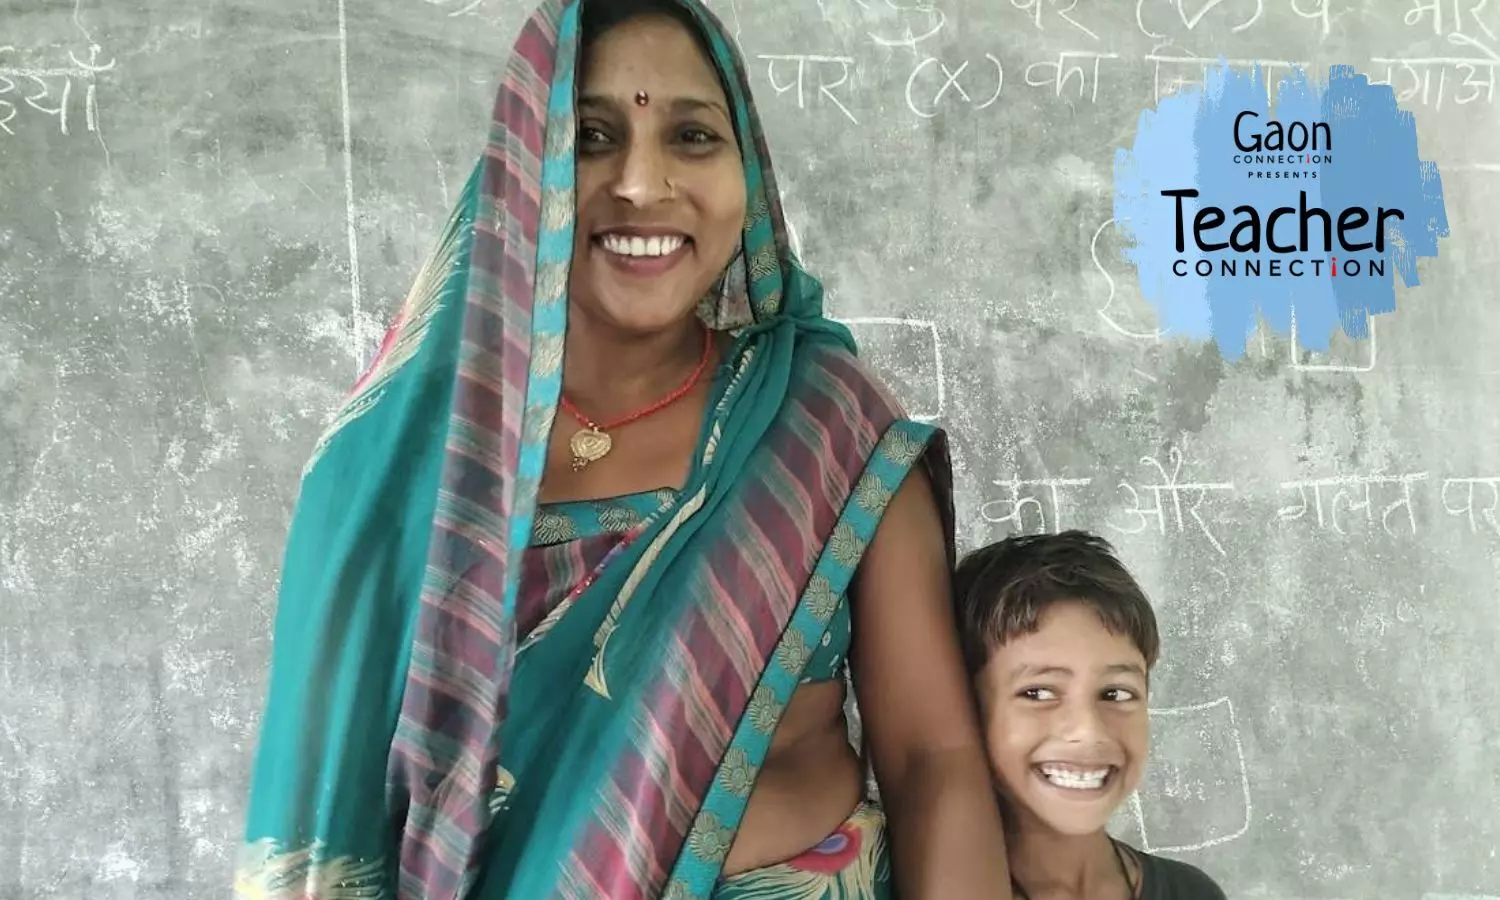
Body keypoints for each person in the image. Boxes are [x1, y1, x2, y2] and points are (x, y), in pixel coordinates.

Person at [233, 0, 1011, 897]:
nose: (643, 184)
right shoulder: (390, 469)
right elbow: (323, 812)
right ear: (524, 170)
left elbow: (934, 761)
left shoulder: (822, 421)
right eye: (592, 135)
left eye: (692, 137)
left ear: (746, 173)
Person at [951, 531, 1230, 900]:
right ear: (966, 707)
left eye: (1115, 693)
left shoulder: (1191, 893)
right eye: (1038, 693)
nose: (1088, 730)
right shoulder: (907, 887)